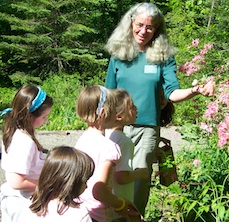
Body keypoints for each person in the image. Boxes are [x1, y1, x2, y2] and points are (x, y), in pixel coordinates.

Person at [104, 2, 215, 215]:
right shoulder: (118, 54)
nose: (143, 31)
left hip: (147, 129)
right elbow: (108, 93)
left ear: (156, 30)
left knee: (139, 179)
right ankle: (112, 217)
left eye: (150, 27)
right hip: (116, 127)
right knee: (112, 176)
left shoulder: (163, 57)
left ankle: (135, 217)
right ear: (130, 23)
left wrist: (197, 90)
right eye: (140, 25)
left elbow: (172, 93)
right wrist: (101, 129)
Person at [75, 85, 134, 222]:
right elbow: (99, 190)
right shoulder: (109, 147)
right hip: (99, 214)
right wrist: (120, 204)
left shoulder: (82, 140)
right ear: (103, 113)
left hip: (81, 209)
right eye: (114, 109)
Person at [0, 85, 53, 222]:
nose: (45, 121)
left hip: (14, 199)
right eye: (43, 116)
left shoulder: (14, 131)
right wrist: (47, 185)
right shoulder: (24, 142)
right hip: (21, 202)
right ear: (29, 116)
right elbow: (17, 182)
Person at [19, 146, 95, 222]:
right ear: (71, 183)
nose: (86, 186)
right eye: (85, 181)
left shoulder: (30, 206)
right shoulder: (79, 214)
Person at [105, 88, 148, 221]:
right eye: (131, 107)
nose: (136, 109)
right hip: (121, 203)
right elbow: (121, 177)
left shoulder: (105, 135)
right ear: (119, 116)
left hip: (107, 201)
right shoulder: (124, 141)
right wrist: (141, 173)